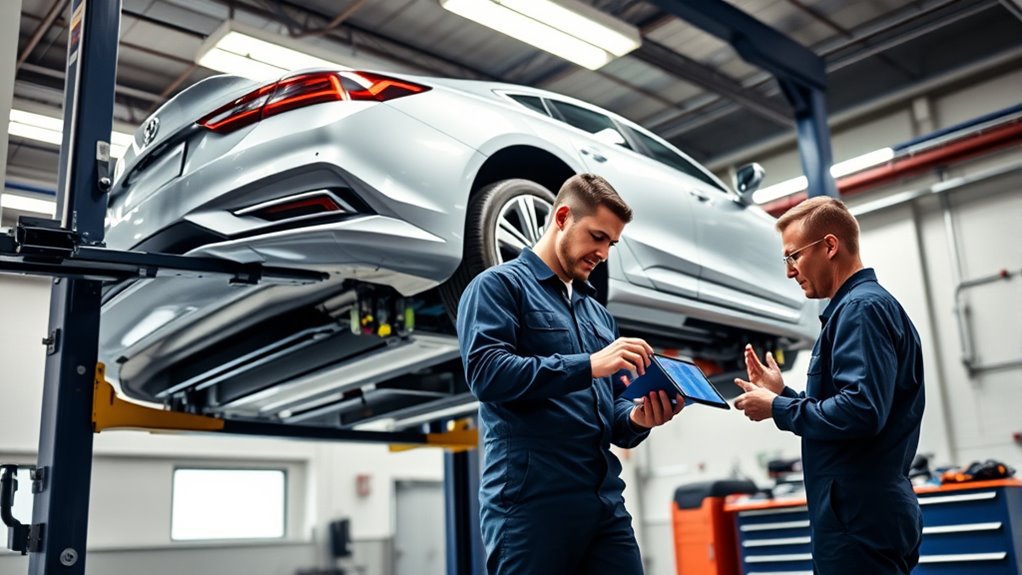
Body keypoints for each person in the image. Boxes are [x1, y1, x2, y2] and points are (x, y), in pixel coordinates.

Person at [457, 173, 682, 575]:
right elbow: (487, 374)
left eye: (611, 243)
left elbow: (612, 412)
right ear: (562, 217)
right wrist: (589, 364)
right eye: (597, 236)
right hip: (531, 507)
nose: (603, 253)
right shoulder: (497, 287)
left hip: (604, 503)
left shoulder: (599, 316)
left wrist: (637, 418)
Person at [733, 196, 925, 575]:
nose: (790, 271)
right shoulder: (857, 309)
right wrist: (782, 395)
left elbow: (861, 411)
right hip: (858, 513)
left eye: (794, 256)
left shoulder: (861, 310)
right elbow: (849, 405)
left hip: (859, 518)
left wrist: (777, 408)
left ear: (830, 246)